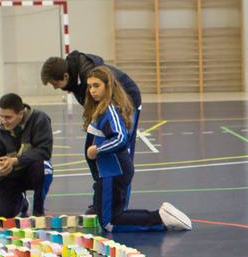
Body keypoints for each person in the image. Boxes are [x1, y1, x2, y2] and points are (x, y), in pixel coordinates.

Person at [80, 67, 188, 232]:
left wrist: (97, 150)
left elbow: (120, 138)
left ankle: (159, 218)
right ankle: (160, 217)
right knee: (111, 215)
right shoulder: (100, 109)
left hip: (114, 172)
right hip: (107, 173)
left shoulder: (108, 111)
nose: (92, 90)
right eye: (89, 86)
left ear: (108, 87)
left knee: (110, 223)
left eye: (96, 86)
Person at [40, 49, 143, 215]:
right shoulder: (75, 79)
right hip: (105, 108)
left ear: (65, 77)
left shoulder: (87, 75)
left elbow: (107, 100)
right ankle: (101, 198)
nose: (55, 88)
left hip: (127, 101)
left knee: (121, 152)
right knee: (91, 152)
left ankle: (120, 204)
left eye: (54, 84)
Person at [0, 92, 53, 218]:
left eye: (8, 117)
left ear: (20, 114)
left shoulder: (39, 119)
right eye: (1, 116)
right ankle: (22, 202)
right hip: (10, 177)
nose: (4, 121)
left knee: (44, 167)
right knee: (1, 215)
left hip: (32, 171)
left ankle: (38, 210)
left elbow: (44, 151)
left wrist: (15, 161)